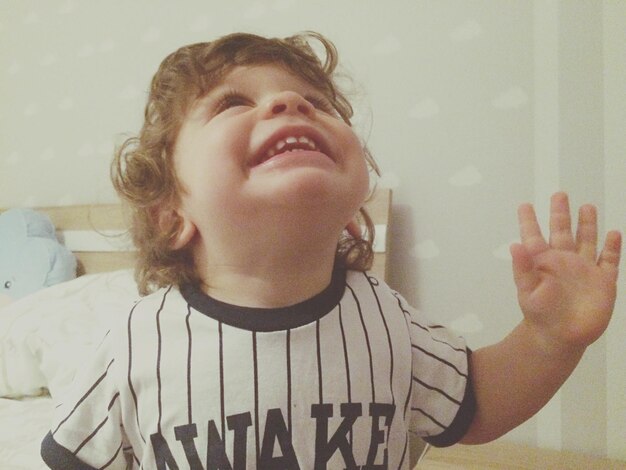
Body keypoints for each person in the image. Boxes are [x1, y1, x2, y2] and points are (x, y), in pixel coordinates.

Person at [40, 32, 622, 469]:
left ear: (351, 203)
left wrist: (549, 338)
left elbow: (478, 407)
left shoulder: (390, 320)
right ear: (171, 214)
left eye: (317, 102)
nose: (290, 103)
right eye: (232, 102)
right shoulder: (135, 345)